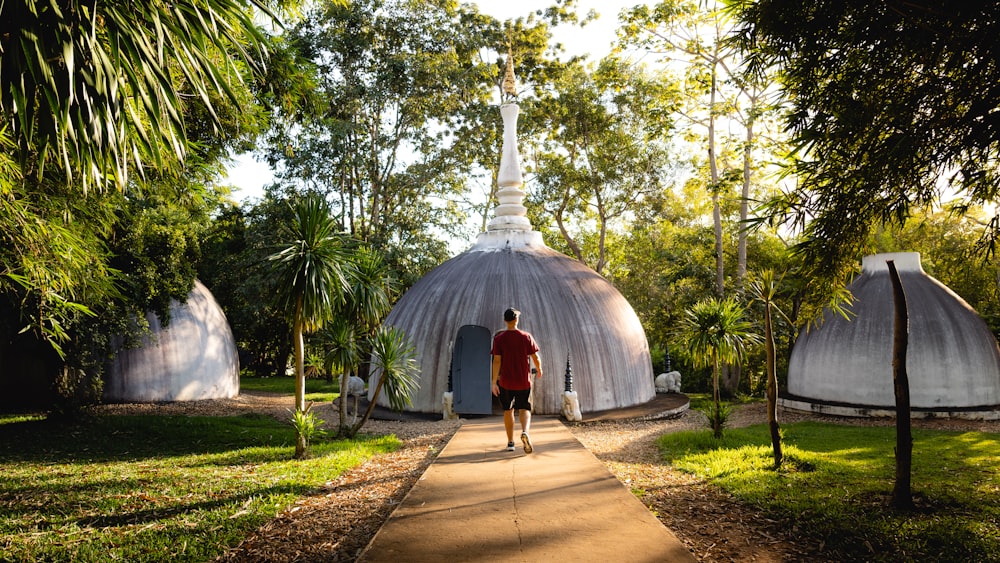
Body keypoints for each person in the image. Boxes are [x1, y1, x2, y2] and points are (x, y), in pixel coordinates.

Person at [491, 307, 542, 453]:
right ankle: (525, 431)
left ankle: (510, 443)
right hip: (523, 381)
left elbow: (496, 361)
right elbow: (535, 357)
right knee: (525, 408)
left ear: (505, 321)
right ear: (516, 320)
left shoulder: (499, 339)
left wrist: (494, 382)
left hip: (506, 382)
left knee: (508, 410)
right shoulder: (526, 337)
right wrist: (539, 369)